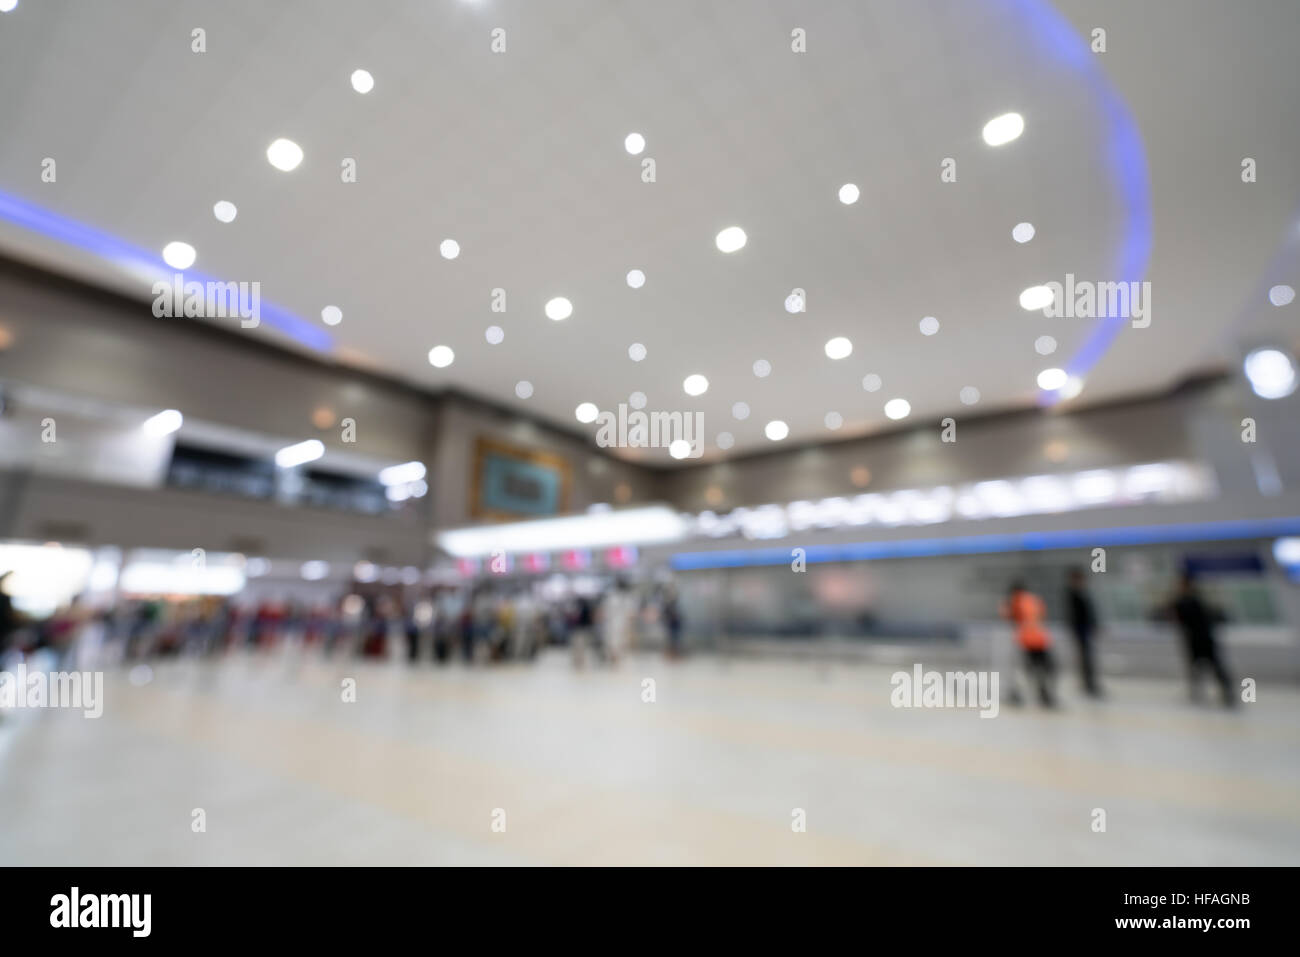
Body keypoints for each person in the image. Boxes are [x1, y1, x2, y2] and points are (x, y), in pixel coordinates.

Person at [1168, 573, 1235, 708]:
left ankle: (1224, 693)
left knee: (1211, 666)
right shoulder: (1195, 600)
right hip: (1198, 639)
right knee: (1202, 667)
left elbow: (1177, 618)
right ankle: (1208, 693)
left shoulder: (1187, 601)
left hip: (1199, 639)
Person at [1001, 581, 1056, 707]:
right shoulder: (1034, 599)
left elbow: (1007, 616)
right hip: (1041, 639)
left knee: (1024, 669)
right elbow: (1042, 615)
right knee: (1043, 668)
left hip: (1025, 640)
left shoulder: (1015, 600)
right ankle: (1045, 695)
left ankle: (1016, 694)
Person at [1064, 568, 1103, 698]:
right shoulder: (1072, 594)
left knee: (1087, 658)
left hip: (1085, 630)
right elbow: (1075, 615)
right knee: (1085, 658)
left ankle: (1090, 683)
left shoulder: (1082, 593)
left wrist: (1094, 625)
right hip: (1080, 631)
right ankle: (1088, 684)